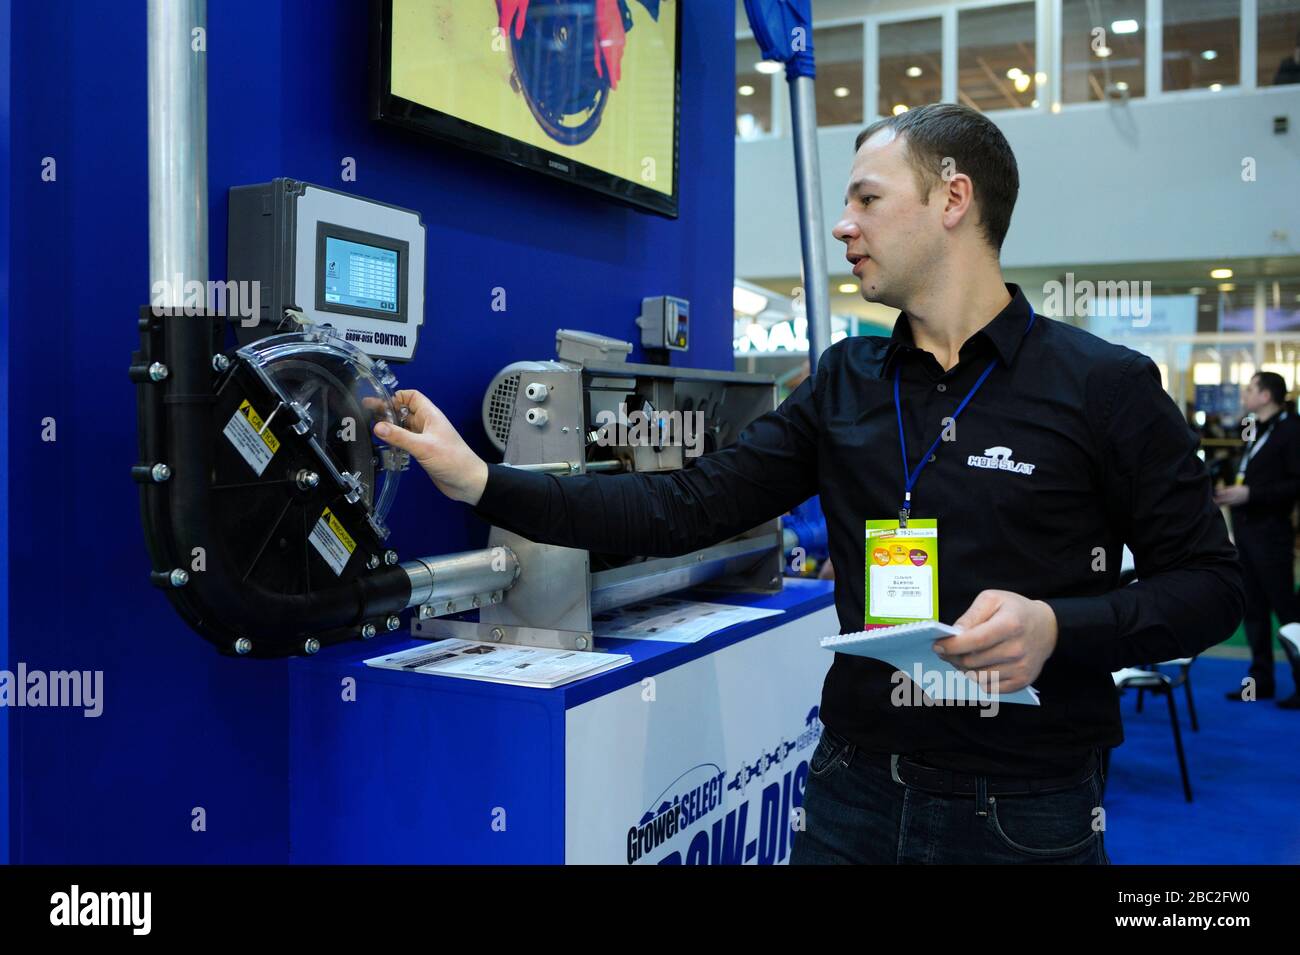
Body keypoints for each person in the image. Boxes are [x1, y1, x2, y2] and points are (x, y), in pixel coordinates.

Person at [374, 103, 1244, 864]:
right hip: (851, 791)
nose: (843, 225)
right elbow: (685, 506)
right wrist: (484, 480)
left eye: (868, 198)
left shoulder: (1103, 385)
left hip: (1025, 807)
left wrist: (1060, 626)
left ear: (953, 200)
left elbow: (1211, 585)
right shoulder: (844, 381)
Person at [1214, 371, 1300, 708]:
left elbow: (1296, 483)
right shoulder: (1255, 429)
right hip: (1248, 532)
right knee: (1254, 611)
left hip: (1273, 534)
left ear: (1266, 396)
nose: (1243, 395)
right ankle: (1259, 680)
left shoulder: (1291, 429)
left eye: (1250, 389)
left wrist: (1251, 493)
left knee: (1287, 611)